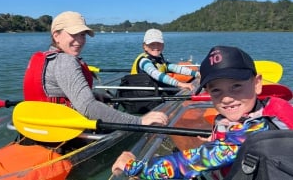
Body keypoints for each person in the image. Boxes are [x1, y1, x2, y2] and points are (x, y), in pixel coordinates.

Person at [112, 45, 293, 179]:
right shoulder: (273, 108)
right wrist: (218, 139)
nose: (227, 98)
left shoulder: (253, 133)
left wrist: (131, 165)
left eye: (236, 86)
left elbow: (190, 163)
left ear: (257, 83)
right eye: (216, 91)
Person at [23, 11, 168, 129]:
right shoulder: (66, 61)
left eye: (82, 35)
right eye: (74, 34)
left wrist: (91, 94)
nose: (80, 41)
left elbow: (59, 91)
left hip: (40, 127)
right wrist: (139, 121)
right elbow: (89, 108)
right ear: (56, 35)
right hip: (65, 132)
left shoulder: (47, 58)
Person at [130, 28, 200, 91]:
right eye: (152, 44)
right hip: (143, 96)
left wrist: (196, 74)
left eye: (159, 44)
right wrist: (181, 84)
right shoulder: (144, 61)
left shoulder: (160, 60)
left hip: (155, 91)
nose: (156, 47)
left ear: (163, 46)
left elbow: (176, 68)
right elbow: (156, 74)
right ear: (145, 47)